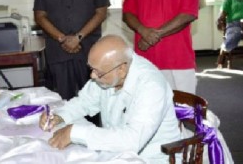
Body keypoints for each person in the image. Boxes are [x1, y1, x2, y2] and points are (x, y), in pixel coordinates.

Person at [39, 35, 181, 163]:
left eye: (98, 72)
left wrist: (75, 133)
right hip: (116, 152)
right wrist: (59, 115)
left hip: (152, 159)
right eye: (91, 69)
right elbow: (84, 102)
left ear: (122, 70)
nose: (93, 76)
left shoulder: (151, 86)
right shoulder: (109, 71)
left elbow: (132, 140)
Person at [33, 0, 110, 100]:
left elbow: (101, 12)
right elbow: (40, 16)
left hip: (88, 52)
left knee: (92, 103)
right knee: (61, 104)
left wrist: (78, 37)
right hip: (57, 53)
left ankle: (91, 127)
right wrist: (62, 38)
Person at [216, 0, 243, 68]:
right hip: (234, 24)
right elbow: (222, 15)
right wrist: (220, 20)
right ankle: (224, 49)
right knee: (235, 34)